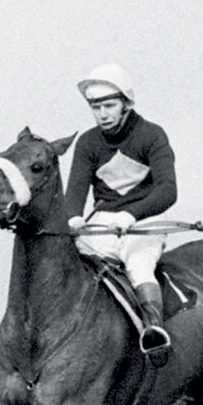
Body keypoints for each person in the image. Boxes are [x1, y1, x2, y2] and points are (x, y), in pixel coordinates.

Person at [64, 63, 178, 366]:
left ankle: (154, 332)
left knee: (139, 265)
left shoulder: (152, 135)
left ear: (126, 103)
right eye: (95, 107)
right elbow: (75, 192)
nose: (103, 114)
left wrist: (132, 214)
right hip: (102, 224)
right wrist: (74, 218)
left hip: (145, 221)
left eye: (109, 105)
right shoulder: (88, 142)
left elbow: (168, 191)